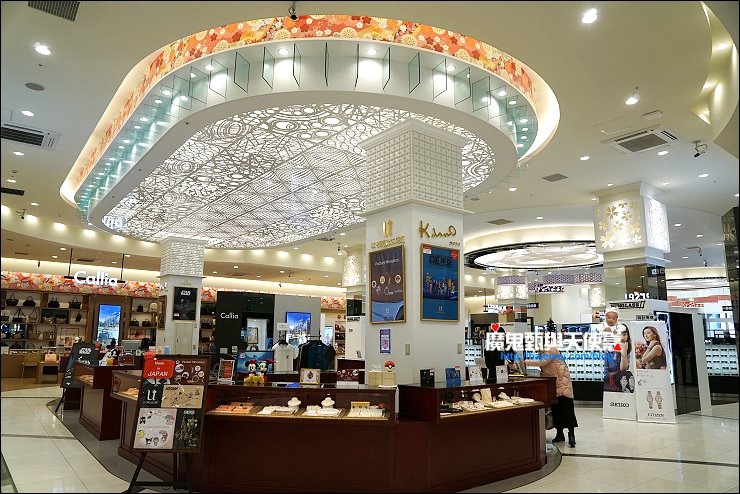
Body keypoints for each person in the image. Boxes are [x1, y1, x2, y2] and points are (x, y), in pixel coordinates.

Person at [525, 347, 578, 447]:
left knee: (567, 410)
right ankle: (560, 434)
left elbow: (542, 363)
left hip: (562, 383)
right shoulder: (542, 352)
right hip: (554, 384)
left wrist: (524, 362)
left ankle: (571, 435)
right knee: (556, 410)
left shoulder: (551, 350)